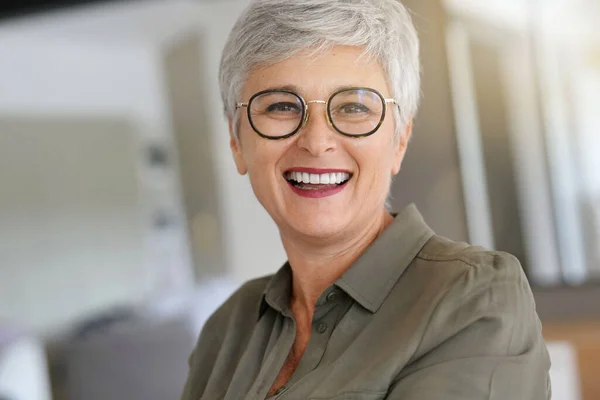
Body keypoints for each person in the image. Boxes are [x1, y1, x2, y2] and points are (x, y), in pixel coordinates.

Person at [180, 0, 551, 399]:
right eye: (282, 106)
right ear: (237, 142)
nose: (317, 141)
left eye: (354, 106)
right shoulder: (227, 328)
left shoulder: (473, 298)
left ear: (399, 140)